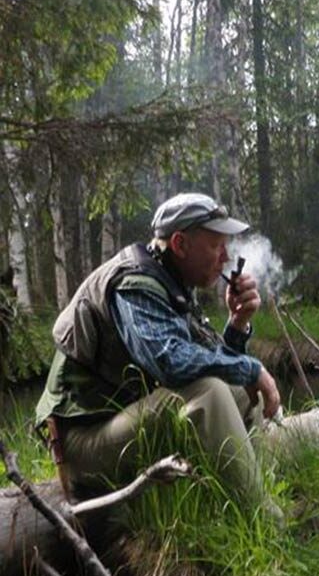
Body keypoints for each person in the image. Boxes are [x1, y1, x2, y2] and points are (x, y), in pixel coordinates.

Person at [35, 192, 282, 513]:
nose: (225, 257)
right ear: (180, 244)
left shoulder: (170, 283)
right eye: (216, 245)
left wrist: (236, 325)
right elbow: (172, 363)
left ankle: (250, 495)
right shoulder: (134, 285)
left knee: (242, 388)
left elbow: (215, 362)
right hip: (83, 447)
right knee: (210, 391)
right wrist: (252, 368)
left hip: (117, 425)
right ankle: (266, 525)